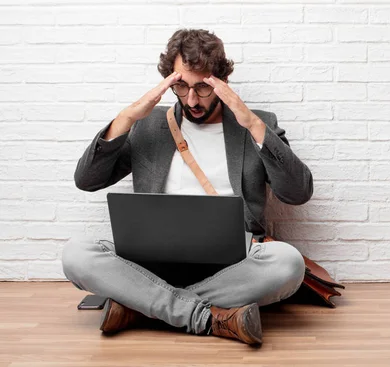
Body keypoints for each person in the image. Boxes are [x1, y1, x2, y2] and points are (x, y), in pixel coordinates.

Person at [61, 29, 314, 346]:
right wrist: (126, 118)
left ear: (220, 81)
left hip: (232, 267)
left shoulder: (256, 122)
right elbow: (87, 180)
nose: (191, 99)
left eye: (202, 88)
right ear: (169, 81)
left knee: (288, 263)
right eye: (181, 86)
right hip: (150, 264)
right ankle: (208, 317)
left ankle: (141, 307)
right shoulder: (148, 124)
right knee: (76, 253)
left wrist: (251, 123)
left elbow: (298, 192)